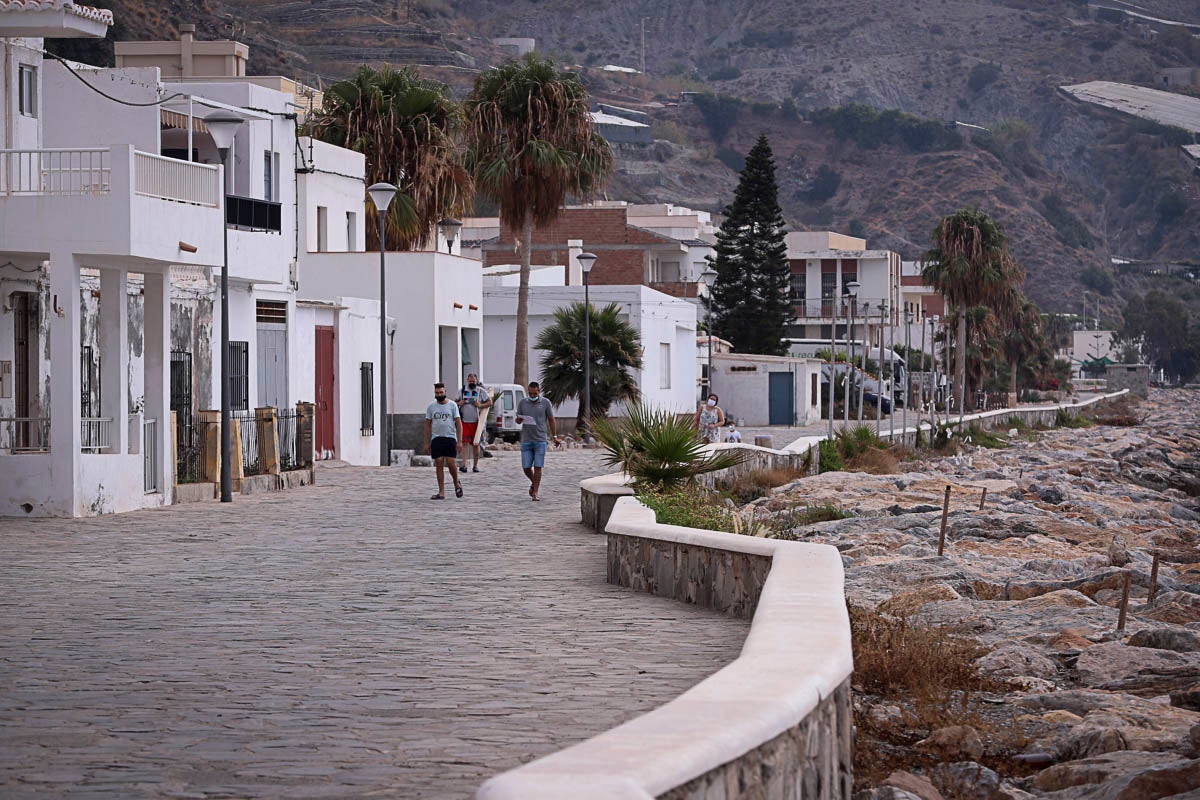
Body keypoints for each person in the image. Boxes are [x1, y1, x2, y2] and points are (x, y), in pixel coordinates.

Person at [514, 381, 559, 501]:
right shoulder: (523, 402)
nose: (532, 396)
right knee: (526, 467)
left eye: (534, 393)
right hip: (526, 439)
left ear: (539, 391)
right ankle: (534, 483)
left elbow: (551, 419)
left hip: (540, 439)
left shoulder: (545, 403)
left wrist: (554, 436)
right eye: (530, 393)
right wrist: (519, 419)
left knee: (538, 466)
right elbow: (518, 420)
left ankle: (535, 492)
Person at [424, 383, 463, 500]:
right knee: (439, 462)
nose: (439, 395)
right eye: (437, 393)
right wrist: (426, 443)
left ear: (445, 392)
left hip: (450, 437)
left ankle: (456, 482)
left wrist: (460, 440)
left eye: (441, 392)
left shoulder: (452, 405)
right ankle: (441, 492)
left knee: (451, 463)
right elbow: (427, 425)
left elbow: (458, 423)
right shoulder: (431, 407)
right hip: (436, 438)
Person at [456, 373, 492, 473]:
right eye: (470, 381)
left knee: (476, 444)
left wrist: (480, 405)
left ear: (476, 381)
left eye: (473, 381)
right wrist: (460, 403)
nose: (472, 383)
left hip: (477, 422)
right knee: (465, 443)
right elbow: (455, 402)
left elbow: (490, 402)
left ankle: (475, 465)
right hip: (464, 421)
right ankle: (464, 465)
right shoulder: (462, 390)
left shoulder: (481, 391)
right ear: (467, 380)